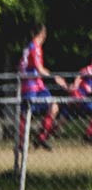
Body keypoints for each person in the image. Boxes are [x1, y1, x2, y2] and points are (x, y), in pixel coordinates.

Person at [21, 23, 68, 151]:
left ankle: (41, 138)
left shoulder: (28, 47)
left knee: (53, 106)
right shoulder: (35, 47)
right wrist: (55, 77)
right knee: (26, 114)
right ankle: (22, 144)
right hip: (31, 85)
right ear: (42, 33)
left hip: (36, 85)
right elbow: (39, 68)